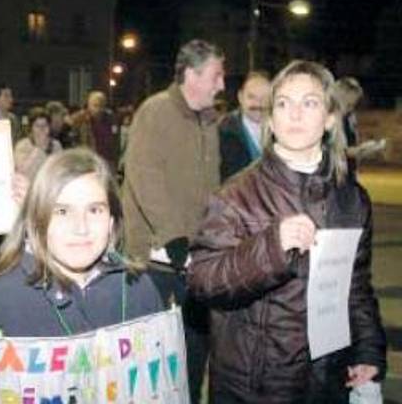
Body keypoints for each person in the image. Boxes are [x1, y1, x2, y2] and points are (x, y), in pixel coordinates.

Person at [187, 60, 387, 402]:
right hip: (255, 387)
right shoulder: (236, 195)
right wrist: (272, 246)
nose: (294, 114)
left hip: (327, 381)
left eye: (309, 103)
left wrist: (367, 350)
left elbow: (355, 285)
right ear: (272, 118)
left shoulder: (351, 199)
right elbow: (202, 281)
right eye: (283, 103)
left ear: (329, 118)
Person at [0, 148, 164, 403]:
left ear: (111, 221)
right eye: (62, 211)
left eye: (95, 210)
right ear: (36, 219)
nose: (81, 227)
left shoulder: (139, 289)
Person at [122, 39, 225, 403]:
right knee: (155, 363)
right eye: (216, 75)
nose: (222, 84)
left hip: (195, 262)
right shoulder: (156, 111)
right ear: (192, 75)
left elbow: (211, 188)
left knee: (195, 354)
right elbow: (142, 176)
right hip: (157, 264)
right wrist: (174, 237)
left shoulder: (208, 122)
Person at [218, 71, 271, 181]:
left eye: (265, 98)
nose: (258, 104)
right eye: (252, 97)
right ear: (240, 97)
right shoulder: (221, 133)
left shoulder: (285, 133)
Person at [69, 90, 120, 172]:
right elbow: (73, 139)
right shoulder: (79, 118)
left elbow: (116, 140)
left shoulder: (112, 119)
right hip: (87, 160)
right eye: (95, 105)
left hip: (107, 161)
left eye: (101, 105)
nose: (98, 109)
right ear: (88, 105)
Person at [13, 106, 62, 180]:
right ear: (31, 128)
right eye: (37, 126)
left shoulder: (56, 145)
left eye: (44, 125)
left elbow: (60, 170)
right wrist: (38, 148)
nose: (41, 129)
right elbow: (21, 171)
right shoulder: (22, 145)